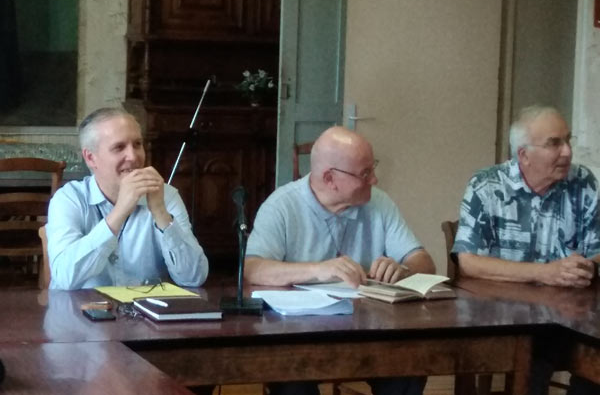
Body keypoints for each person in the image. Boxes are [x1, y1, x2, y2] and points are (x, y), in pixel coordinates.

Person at [245, 126, 435, 395]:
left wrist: (403, 269)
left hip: (369, 331)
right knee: (291, 381)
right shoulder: (282, 206)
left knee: (409, 368)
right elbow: (252, 268)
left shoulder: (379, 203)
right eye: (365, 173)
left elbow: (423, 261)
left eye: (372, 168)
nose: (375, 180)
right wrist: (319, 270)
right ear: (329, 178)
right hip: (297, 335)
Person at [451, 105, 600, 395]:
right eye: (554, 143)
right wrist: (546, 273)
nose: (567, 152)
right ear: (524, 155)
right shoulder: (486, 186)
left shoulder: (583, 183)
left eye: (567, 140)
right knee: (533, 358)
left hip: (573, 314)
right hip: (508, 316)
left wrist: (587, 267)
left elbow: (597, 250)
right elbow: (469, 262)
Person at [47, 107, 209, 290]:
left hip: (146, 307)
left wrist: (161, 213)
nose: (133, 157)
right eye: (119, 147)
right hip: (82, 306)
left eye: (137, 144)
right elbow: (65, 277)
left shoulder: (166, 195)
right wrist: (119, 212)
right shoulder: (69, 199)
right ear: (91, 158)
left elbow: (194, 278)